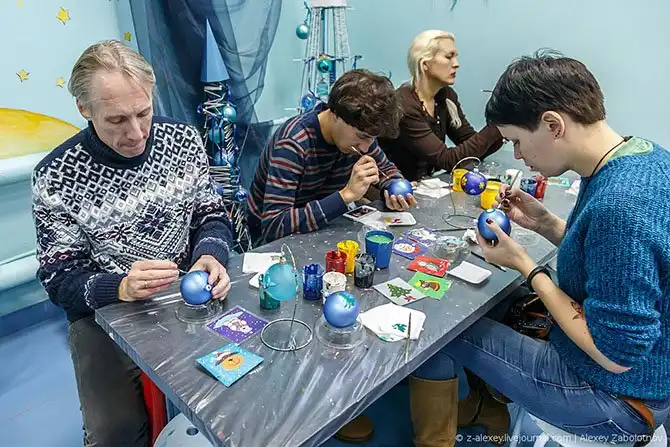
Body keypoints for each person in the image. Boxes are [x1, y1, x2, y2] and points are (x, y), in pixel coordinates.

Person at [408, 50, 670, 447]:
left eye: (517, 141)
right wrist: (547, 224)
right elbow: (613, 260)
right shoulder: (639, 156)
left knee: (439, 326)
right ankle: (484, 407)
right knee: (486, 305)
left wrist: (527, 266)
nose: (516, 155)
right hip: (638, 375)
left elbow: (616, 355)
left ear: (552, 125)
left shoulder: (621, 206)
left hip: (615, 400)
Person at [32, 40, 235, 446]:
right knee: (115, 433)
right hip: (103, 314)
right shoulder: (55, 176)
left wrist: (210, 254)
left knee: (236, 390)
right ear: (84, 108)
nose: (137, 133)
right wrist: (121, 287)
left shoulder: (183, 139)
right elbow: (59, 279)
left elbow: (211, 215)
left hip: (186, 293)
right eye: (117, 120)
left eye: (143, 113)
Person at [247, 69, 418, 246]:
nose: (366, 148)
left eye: (372, 139)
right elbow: (274, 226)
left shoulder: (360, 134)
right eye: (362, 137)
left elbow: (386, 170)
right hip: (276, 244)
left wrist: (393, 188)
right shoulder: (293, 144)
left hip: (325, 228)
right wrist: (346, 195)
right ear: (335, 114)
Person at [379, 30, 503, 181]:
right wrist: (495, 127)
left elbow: (472, 148)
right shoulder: (404, 105)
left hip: (428, 184)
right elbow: (447, 159)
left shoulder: (445, 96)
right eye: (449, 57)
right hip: (399, 187)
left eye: (456, 57)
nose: (456, 64)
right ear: (425, 64)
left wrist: (504, 126)